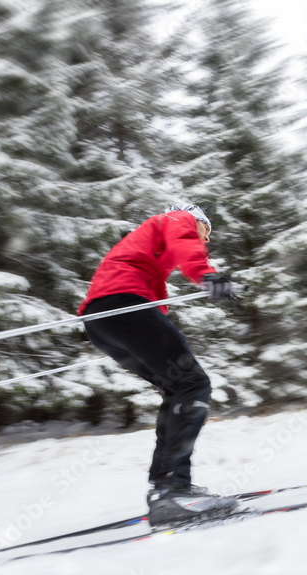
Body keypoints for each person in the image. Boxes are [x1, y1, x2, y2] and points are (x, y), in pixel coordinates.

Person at [77, 203, 240, 526]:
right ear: (197, 220)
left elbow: (154, 291)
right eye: (206, 231)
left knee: (178, 387)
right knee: (192, 384)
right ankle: (172, 491)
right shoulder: (178, 219)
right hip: (123, 307)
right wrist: (206, 274)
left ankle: (165, 488)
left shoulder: (146, 247)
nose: (205, 240)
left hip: (102, 320)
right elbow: (186, 241)